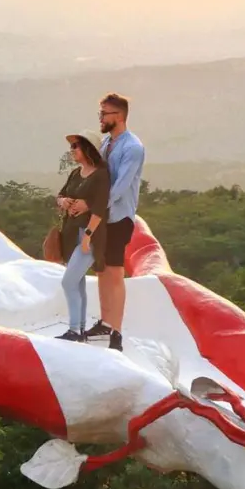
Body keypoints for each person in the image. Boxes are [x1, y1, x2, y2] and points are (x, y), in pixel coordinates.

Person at [68, 93, 145, 351]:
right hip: (101, 217)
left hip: (119, 217)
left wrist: (91, 205)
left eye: (104, 114)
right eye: (99, 113)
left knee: (114, 272)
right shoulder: (105, 145)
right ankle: (105, 322)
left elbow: (120, 187)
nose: (100, 118)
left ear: (119, 116)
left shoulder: (132, 148)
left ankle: (116, 331)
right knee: (101, 270)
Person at [54, 129, 111, 342]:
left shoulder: (101, 175)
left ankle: (74, 330)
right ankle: (79, 329)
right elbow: (60, 195)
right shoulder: (76, 173)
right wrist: (63, 201)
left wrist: (88, 235)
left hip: (88, 235)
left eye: (75, 146)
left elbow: (100, 208)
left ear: (88, 148)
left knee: (68, 282)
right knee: (77, 283)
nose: (72, 150)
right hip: (71, 232)